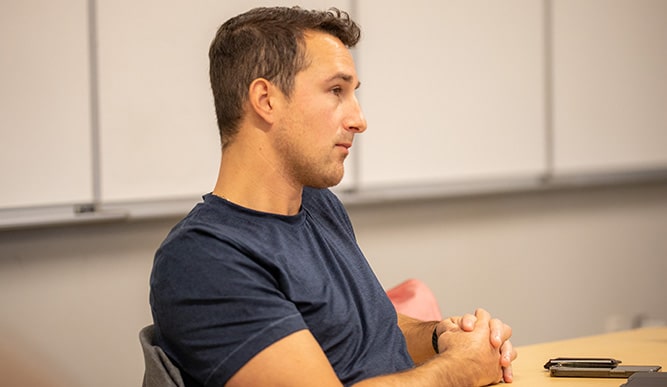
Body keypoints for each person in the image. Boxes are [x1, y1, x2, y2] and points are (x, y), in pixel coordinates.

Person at [149, 6, 517, 387]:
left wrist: (444, 338)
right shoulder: (205, 258)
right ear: (266, 99)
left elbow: (370, 333)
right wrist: (460, 370)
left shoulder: (319, 205)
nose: (359, 119)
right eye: (336, 91)